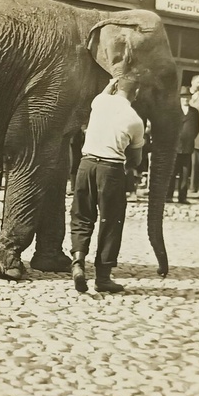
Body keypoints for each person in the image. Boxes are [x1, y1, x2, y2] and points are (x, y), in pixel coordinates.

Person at [69, 78, 145, 294]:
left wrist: (111, 83)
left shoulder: (100, 101)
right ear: (136, 93)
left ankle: (78, 261)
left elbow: (105, 93)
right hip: (110, 170)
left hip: (86, 165)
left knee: (82, 215)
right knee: (110, 221)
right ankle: (103, 277)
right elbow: (137, 159)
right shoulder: (134, 119)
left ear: (115, 88)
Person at [167, 86, 199, 204]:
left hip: (188, 147)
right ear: (179, 98)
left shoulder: (194, 112)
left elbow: (196, 129)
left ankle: (182, 197)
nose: (186, 99)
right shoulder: (174, 111)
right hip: (175, 147)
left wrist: (189, 139)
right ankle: (168, 196)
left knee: (185, 174)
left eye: (188, 97)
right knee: (172, 173)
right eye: (183, 97)